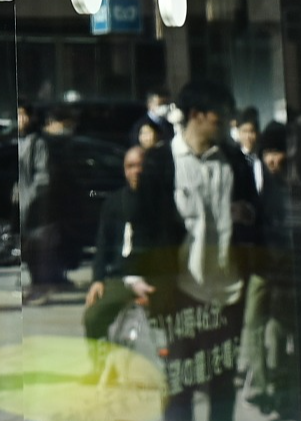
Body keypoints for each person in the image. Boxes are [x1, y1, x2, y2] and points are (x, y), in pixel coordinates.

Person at [129, 78, 258, 421]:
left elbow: (256, 218)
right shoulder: (160, 163)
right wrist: (139, 277)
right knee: (180, 387)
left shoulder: (234, 162)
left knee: (221, 385)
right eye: (220, 116)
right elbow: (143, 223)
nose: (225, 123)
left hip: (228, 292)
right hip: (180, 292)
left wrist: (247, 216)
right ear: (198, 115)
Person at [244, 122, 297, 417]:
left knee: (277, 329)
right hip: (259, 265)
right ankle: (262, 386)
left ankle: (278, 383)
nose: (274, 160)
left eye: (279, 153)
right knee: (253, 325)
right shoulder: (254, 180)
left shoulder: (292, 184)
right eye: (270, 154)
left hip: (284, 267)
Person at [82, 145, 144, 380]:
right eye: (131, 166)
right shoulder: (114, 202)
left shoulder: (162, 202)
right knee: (93, 316)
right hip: (121, 276)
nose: (136, 171)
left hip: (153, 277)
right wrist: (97, 279)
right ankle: (100, 366)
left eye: (140, 166)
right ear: (124, 171)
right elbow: (102, 246)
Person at [16, 102, 68, 302]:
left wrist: (29, 198)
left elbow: (42, 176)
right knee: (24, 250)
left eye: (23, 114)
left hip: (33, 206)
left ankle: (40, 286)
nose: (20, 120)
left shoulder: (36, 143)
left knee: (36, 249)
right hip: (17, 204)